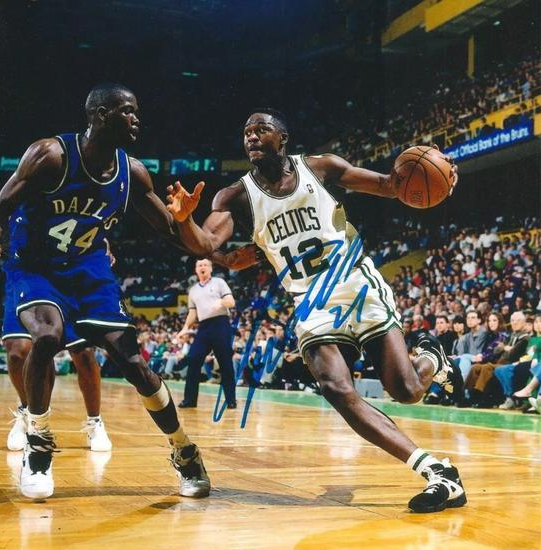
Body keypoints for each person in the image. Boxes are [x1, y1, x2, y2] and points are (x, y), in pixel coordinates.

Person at [166, 108, 466, 513]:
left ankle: (431, 359)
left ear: (282, 139)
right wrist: (185, 220)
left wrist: (442, 169)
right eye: (247, 131)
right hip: (310, 303)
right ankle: (437, 471)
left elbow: (389, 185)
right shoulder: (234, 196)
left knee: (407, 390)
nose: (251, 136)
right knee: (336, 388)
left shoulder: (320, 167)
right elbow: (205, 244)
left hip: (356, 284)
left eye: (261, 129)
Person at [0, 83, 256, 500]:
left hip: (89, 267)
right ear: (100, 114)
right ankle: (38, 445)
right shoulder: (50, 155)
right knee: (46, 335)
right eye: (126, 111)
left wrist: (210, 247)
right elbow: (0, 207)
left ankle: (184, 449)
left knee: (132, 361)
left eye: (136, 112)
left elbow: (170, 231)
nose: (136, 119)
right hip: (35, 265)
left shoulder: (132, 172)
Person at [3, 233, 116, 452]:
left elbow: (92, 219)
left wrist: (102, 242)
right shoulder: (13, 209)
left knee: (83, 352)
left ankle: (95, 421)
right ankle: (28, 412)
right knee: (17, 352)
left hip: (67, 270)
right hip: (24, 269)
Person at [177, 258, 237, 409]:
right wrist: (185, 328)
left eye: (205, 265)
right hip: (203, 326)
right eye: (199, 265)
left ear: (210, 268)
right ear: (196, 270)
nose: (202, 267)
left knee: (225, 362)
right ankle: (190, 400)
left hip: (221, 324)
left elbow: (231, 302)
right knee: (193, 358)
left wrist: (221, 302)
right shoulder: (193, 290)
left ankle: (231, 400)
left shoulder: (219, 282)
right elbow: (192, 313)